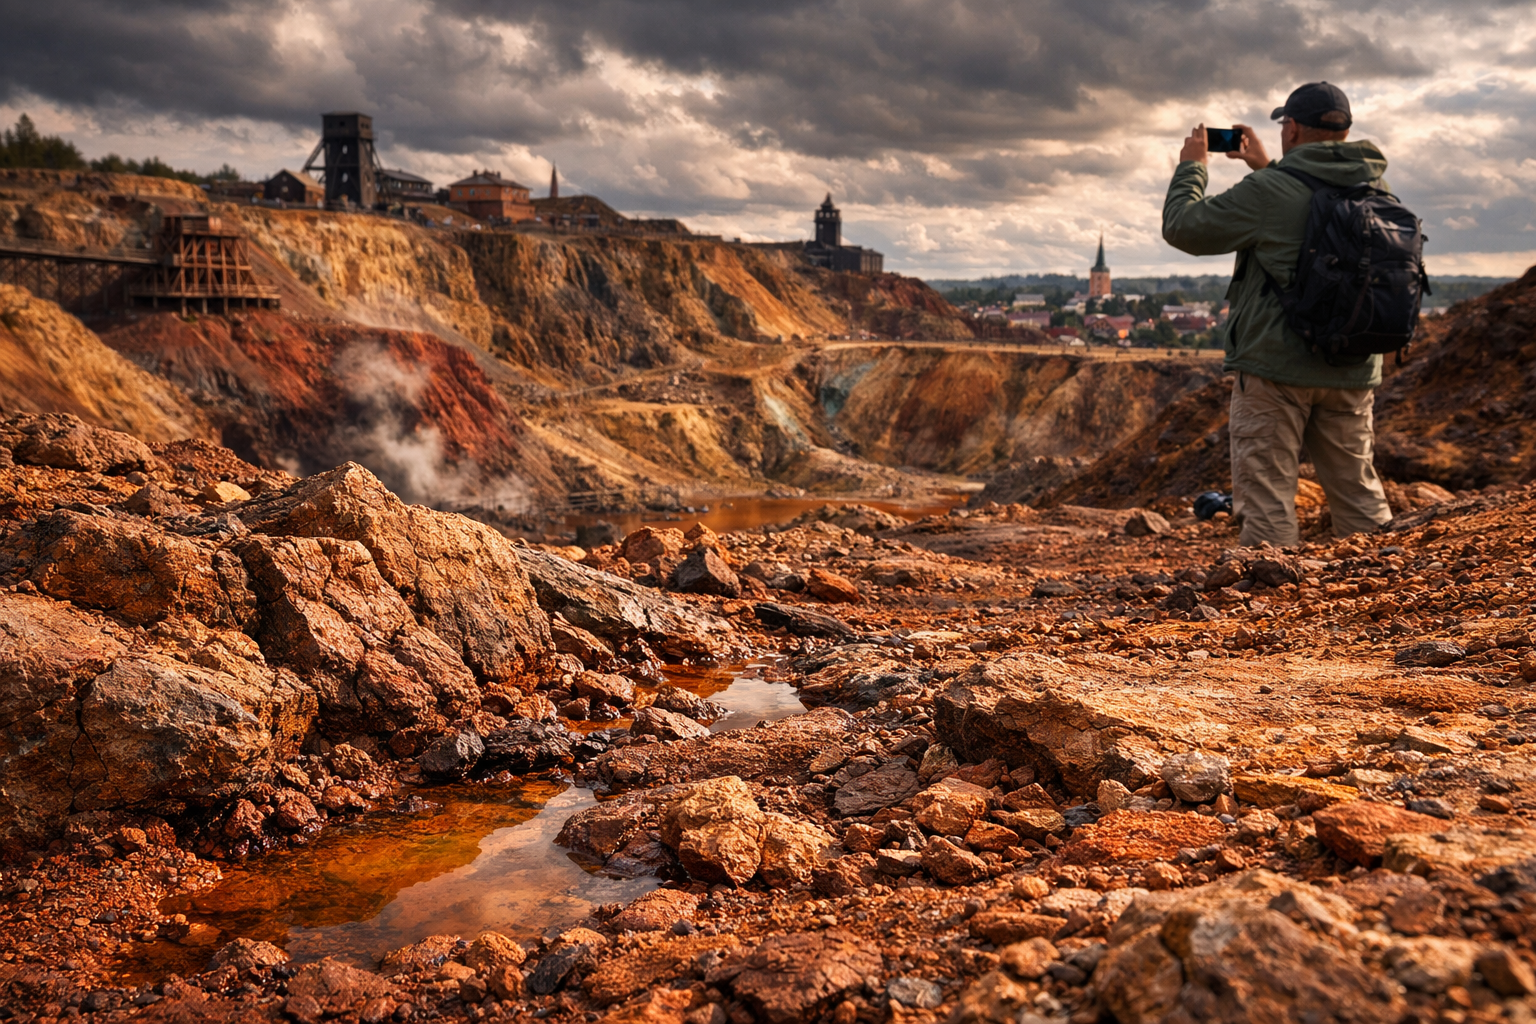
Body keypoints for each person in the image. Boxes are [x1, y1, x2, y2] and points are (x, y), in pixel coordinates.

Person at [1163, 82, 1394, 548]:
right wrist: (1266, 165)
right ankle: (1380, 591)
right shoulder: (1375, 186)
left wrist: (1193, 166)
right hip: (1352, 365)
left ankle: (1275, 612)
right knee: (1358, 494)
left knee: (1267, 499)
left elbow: (1183, 227)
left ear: (1291, 128)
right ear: (1345, 131)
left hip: (1275, 369)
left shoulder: (1269, 192)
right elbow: (1307, 208)